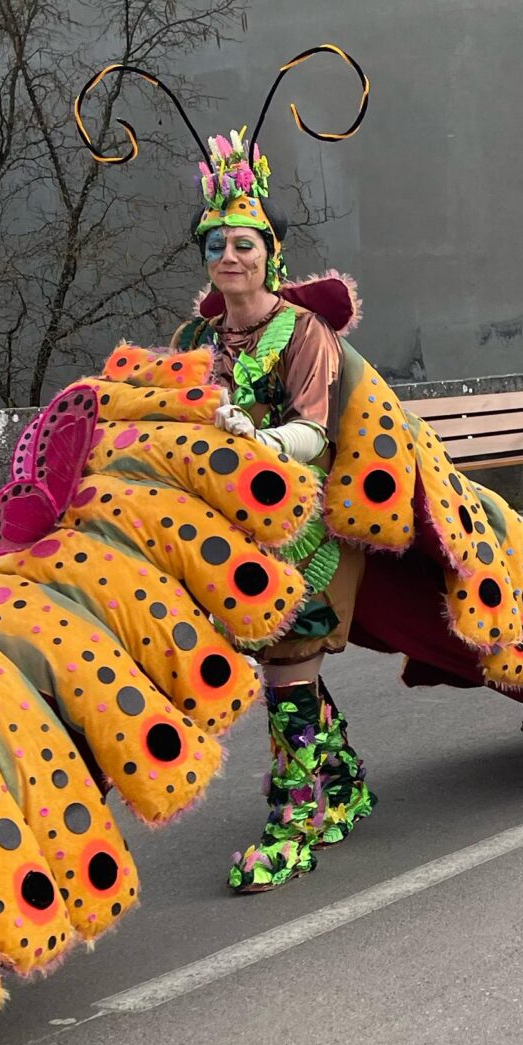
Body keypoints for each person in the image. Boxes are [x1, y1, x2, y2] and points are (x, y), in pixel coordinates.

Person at [173, 130, 373, 893]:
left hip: (297, 529)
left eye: (245, 242)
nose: (231, 255)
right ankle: (346, 782)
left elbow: (315, 430)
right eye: (216, 244)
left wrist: (257, 437)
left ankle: (293, 825)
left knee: (288, 665)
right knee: (284, 669)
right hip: (224, 533)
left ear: (271, 253)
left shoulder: (303, 334)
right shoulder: (194, 339)